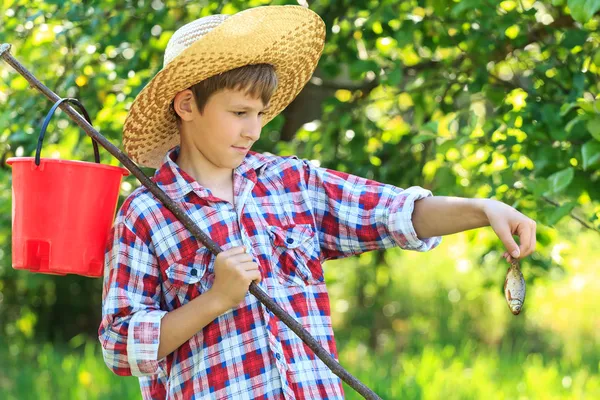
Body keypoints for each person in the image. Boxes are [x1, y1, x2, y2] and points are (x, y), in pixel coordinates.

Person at [98, 5, 537, 400]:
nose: (254, 130)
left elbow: (392, 213)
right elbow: (120, 347)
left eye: (261, 113)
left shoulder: (292, 183)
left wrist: (483, 209)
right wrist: (215, 299)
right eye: (239, 114)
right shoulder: (146, 213)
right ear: (187, 104)